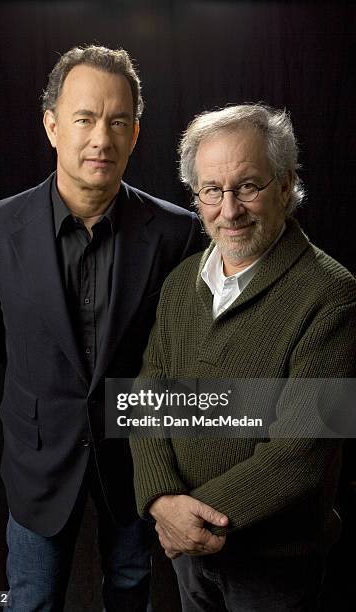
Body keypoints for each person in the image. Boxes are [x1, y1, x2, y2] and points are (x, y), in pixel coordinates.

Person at [0, 44, 202, 611]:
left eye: (119, 122)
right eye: (85, 119)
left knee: (130, 592)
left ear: (136, 133)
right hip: (38, 456)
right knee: (33, 599)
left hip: (135, 456)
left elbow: (179, 353)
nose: (102, 139)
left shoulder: (178, 234)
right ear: (52, 126)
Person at [129, 103, 356, 611]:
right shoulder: (180, 284)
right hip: (187, 554)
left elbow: (302, 455)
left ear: (283, 185)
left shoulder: (333, 294)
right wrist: (162, 501)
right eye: (212, 190)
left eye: (247, 186)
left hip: (275, 566)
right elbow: (147, 397)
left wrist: (191, 519)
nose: (229, 210)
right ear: (197, 196)